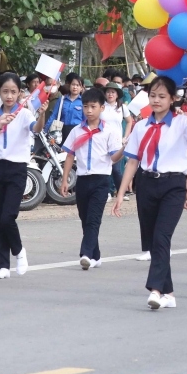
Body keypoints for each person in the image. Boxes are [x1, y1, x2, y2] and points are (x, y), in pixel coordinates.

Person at [112, 76, 187, 310]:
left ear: (172, 99)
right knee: (153, 240)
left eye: (162, 96)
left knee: (162, 237)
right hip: (147, 183)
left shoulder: (183, 123)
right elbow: (131, 162)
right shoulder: (141, 126)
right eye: (153, 96)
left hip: (173, 184)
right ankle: (169, 292)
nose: (157, 100)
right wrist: (120, 194)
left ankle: (156, 289)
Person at [0, 72, 48, 279]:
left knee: (8, 217)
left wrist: (41, 114)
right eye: (5, 91)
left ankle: (18, 251)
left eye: (13, 92)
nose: (9, 96)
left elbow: (36, 129)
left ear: (20, 93)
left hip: (17, 169)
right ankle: (3, 266)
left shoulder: (24, 114)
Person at [60, 87, 123, 269]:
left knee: (94, 219)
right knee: (84, 217)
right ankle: (95, 255)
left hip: (101, 180)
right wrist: (65, 180)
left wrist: (123, 150)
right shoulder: (76, 131)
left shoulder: (110, 131)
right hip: (82, 180)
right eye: (85, 106)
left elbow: (114, 158)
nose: (89, 110)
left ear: (102, 108)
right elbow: (70, 155)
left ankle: (86, 253)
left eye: (93, 106)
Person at [101, 82, 131, 197]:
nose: (110, 94)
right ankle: (107, 192)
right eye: (108, 92)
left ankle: (121, 192)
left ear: (117, 94)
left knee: (117, 170)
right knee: (105, 169)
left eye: (113, 92)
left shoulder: (122, 107)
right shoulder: (101, 106)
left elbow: (129, 121)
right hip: (103, 142)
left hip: (117, 143)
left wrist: (125, 137)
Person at [46, 72, 85, 144]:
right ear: (69, 85)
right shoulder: (62, 99)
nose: (75, 87)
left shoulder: (84, 102)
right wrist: (45, 130)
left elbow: (85, 120)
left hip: (78, 131)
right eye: (73, 84)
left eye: (78, 85)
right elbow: (53, 116)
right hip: (62, 131)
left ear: (81, 88)